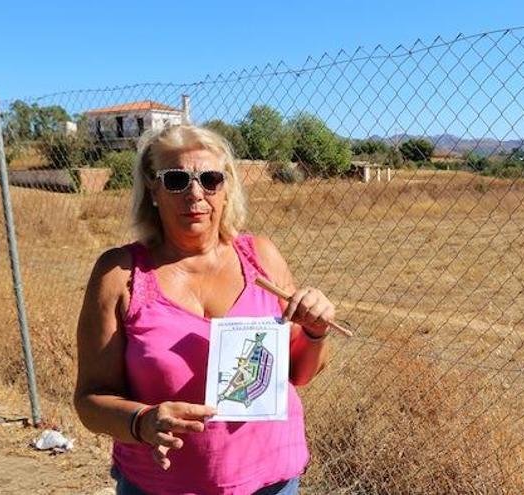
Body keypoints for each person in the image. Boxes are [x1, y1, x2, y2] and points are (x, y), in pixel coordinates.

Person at [74, 124, 334, 495]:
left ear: (226, 189)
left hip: (271, 481)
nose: (195, 193)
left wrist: (315, 331)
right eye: (177, 180)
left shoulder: (261, 257)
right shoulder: (120, 275)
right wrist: (143, 422)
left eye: (210, 179)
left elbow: (299, 373)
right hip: (161, 486)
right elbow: (89, 401)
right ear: (153, 189)